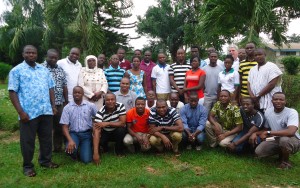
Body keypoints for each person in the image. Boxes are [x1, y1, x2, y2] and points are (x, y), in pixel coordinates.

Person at [8, 45, 58, 177]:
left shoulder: (43, 70)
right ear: (23, 54)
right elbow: (12, 92)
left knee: (46, 138)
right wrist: (20, 112)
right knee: (28, 141)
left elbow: (51, 88)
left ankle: (45, 161)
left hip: (45, 110)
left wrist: (53, 105)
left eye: (33, 53)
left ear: (37, 55)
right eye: (28, 53)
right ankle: (27, 166)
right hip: (28, 113)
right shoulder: (16, 71)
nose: (31, 55)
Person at [253, 92, 300, 169]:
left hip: (293, 139)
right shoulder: (268, 112)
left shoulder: (292, 112)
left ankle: (285, 162)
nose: (278, 101)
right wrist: (255, 133)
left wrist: (269, 132)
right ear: (272, 101)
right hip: (275, 138)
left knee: (284, 140)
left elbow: (291, 132)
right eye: (276, 99)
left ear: (285, 101)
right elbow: (266, 129)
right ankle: (281, 154)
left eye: (281, 99)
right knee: (259, 152)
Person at [60, 86, 98, 163]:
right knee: (70, 150)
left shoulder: (90, 106)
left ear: (83, 94)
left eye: (79, 92)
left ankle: (85, 148)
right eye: (75, 92)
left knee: (86, 160)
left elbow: (98, 118)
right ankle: (74, 150)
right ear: (72, 94)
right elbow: (64, 126)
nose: (77, 94)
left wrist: (94, 126)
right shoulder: (67, 108)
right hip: (74, 134)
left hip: (87, 134)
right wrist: (70, 140)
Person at [42, 49, 68, 152]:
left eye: (55, 58)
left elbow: (64, 85)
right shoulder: (41, 68)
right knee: (46, 128)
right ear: (46, 57)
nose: (53, 59)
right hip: (45, 104)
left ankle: (57, 148)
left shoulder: (60, 69)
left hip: (59, 103)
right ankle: (45, 150)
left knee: (59, 126)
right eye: (51, 57)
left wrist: (66, 101)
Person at [93, 93, 127, 164]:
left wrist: (107, 123)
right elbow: (96, 131)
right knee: (100, 140)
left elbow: (122, 123)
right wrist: (95, 153)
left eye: (112, 99)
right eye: (108, 100)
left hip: (116, 131)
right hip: (105, 131)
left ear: (115, 100)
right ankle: (104, 148)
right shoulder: (100, 113)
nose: (110, 101)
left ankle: (118, 150)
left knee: (121, 130)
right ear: (104, 101)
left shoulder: (120, 106)